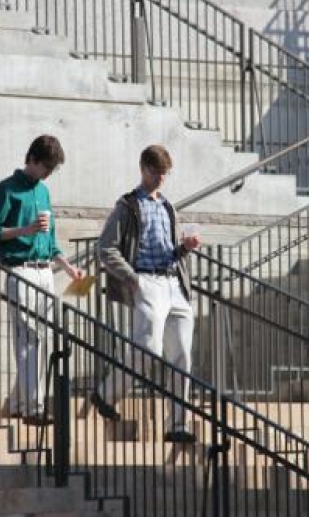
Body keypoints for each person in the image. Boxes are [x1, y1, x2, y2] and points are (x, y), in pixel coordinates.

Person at [90, 145, 203, 443]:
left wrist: (185, 248)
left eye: (164, 174)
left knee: (182, 355)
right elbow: (105, 248)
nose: (160, 179)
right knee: (148, 350)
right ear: (143, 169)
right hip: (146, 282)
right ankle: (106, 394)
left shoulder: (168, 207)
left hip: (174, 283)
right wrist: (130, 278)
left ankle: (177, 424)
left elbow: (168, 249)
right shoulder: (128, 206)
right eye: (155, 173)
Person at [0, 134, 83, 426]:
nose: (49, 173)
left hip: (45, 271)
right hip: (20, 268)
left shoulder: (44, 192)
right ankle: (34, 407)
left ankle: (17, 402)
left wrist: (68, 267)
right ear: (33, 160)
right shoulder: (6, 190)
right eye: (47, 167)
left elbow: (50, 240)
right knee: (29, 340)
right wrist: (24, 230)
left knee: (41, 339)